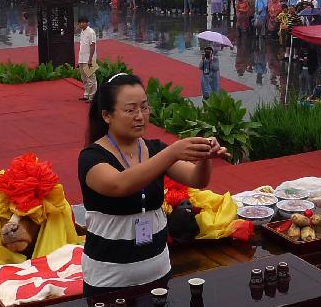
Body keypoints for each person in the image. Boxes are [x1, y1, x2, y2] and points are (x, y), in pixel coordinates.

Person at [78, 74, 226, 295]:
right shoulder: (91, 158)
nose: (140, 116)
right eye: (130, 110)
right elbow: (120, 185)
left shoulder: (154, 149)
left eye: (144, 108)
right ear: (107, 115)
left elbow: (197, 179)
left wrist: (206, 157)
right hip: (108, 281)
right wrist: (173, 152)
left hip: (158, 273)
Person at [77, 17, 98, 103]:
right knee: (84, 78)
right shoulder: (82, 32)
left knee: (91, 78)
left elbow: (92, 45)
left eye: (83, 22)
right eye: (80, 23)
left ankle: (93, 97)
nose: (81, 24)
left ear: (87, 23)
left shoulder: (91, 32)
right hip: (82, 59)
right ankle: (86, 95)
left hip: (89, 59)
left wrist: (90, 59)